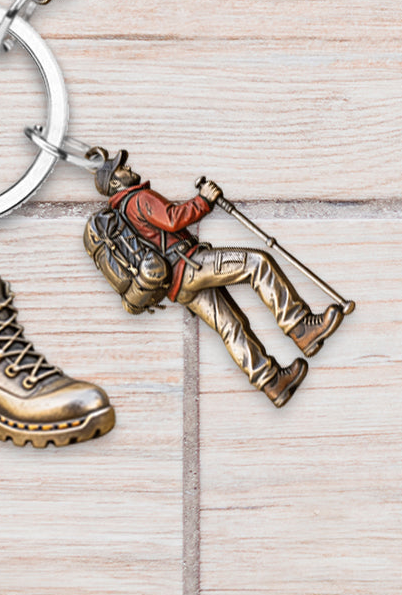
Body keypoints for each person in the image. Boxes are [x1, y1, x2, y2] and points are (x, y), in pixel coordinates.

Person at [94, 151, 343, 407]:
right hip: (190, 264)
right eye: (121, 168)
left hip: (177, 287)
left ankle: (271, 383)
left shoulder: (121, 213)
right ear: (115, 182)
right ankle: (301, 327)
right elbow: (172, 219)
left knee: (230, 326)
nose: (128, 167)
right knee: (257, 264)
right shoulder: (138, 198)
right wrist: (204, 200)